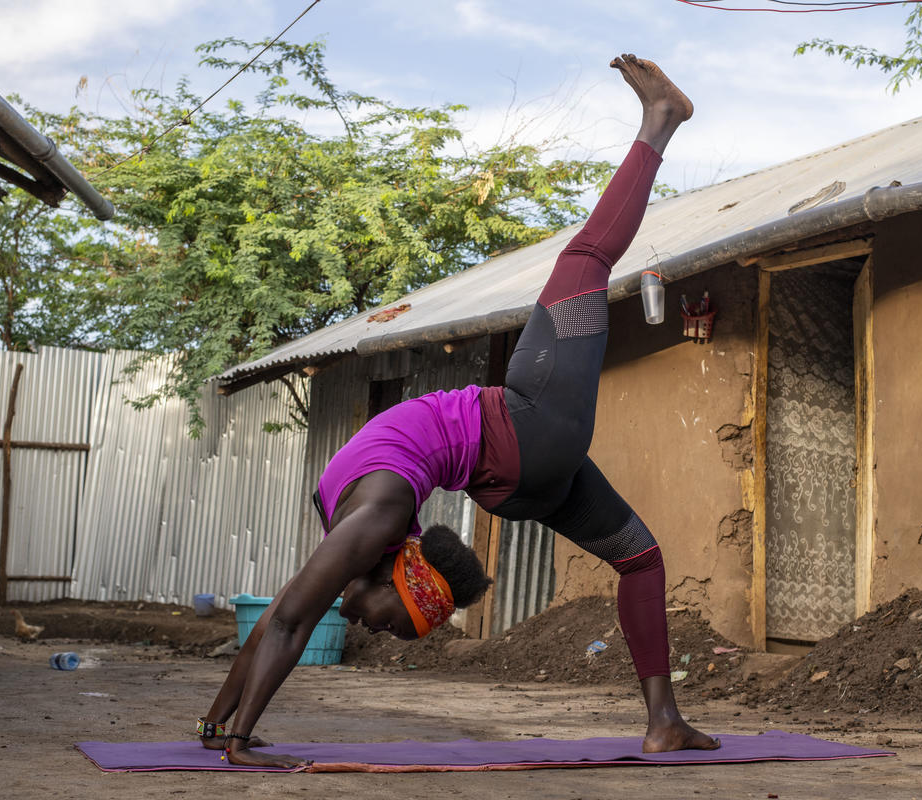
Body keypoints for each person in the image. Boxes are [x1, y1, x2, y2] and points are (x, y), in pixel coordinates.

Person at [198, 54, 719, 768]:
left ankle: (661, 120)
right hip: (522, 452)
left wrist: (231, 737)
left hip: (524, 448)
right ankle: (660, 721)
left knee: (589, 263)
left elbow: (287, 620)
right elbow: (281, 621)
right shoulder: (372, 526)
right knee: (585, 266)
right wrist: (222, 728)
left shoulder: (375, 518)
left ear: (396, 581)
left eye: (391, 624)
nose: (379, 633)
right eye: (395, 628)